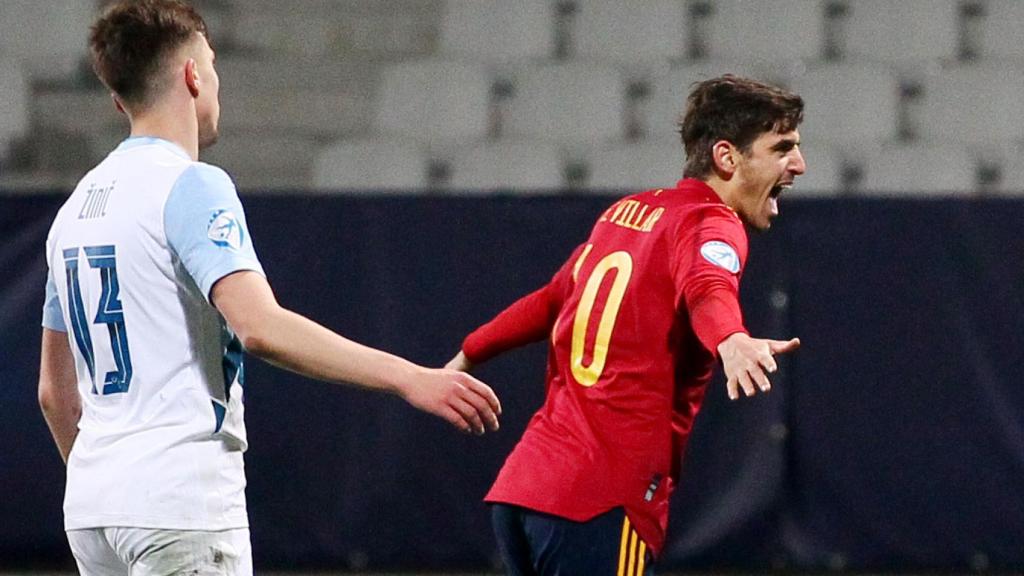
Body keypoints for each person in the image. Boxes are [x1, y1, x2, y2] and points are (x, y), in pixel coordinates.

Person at [36, 1, 501, 574]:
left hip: (93, 510)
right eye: (212, 65)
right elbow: (259, 328)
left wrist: (105, 489)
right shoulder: (191, 185)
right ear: (193, 75)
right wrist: (409, 377)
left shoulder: (73, 211)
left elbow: (54, 393)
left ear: (118, 99)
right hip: (179, 499)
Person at [446, 75, 806, 575]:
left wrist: (465, 356)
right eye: (782, 148)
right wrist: (731, 338)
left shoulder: (626, 212)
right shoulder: (711, 222)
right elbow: (708, 286)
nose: (799, 164)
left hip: (526, 488)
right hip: (601, 500)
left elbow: (550, 301)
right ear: (727, 157)